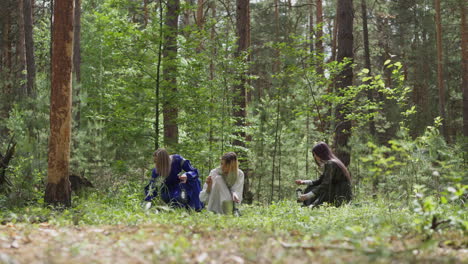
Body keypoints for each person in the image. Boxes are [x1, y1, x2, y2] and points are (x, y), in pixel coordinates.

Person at [295, 142, 352, 207]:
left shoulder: (331, 164)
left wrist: (307, 196)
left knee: (318, 189)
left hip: (339, 195)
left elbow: (325, 185)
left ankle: (313, 205)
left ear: (320, 153)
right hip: (339, 193)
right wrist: (303, 182)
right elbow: (320, 181)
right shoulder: (331, 163)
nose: (315, 157)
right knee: (311, 187)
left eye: (315, 154)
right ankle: (312, 204)